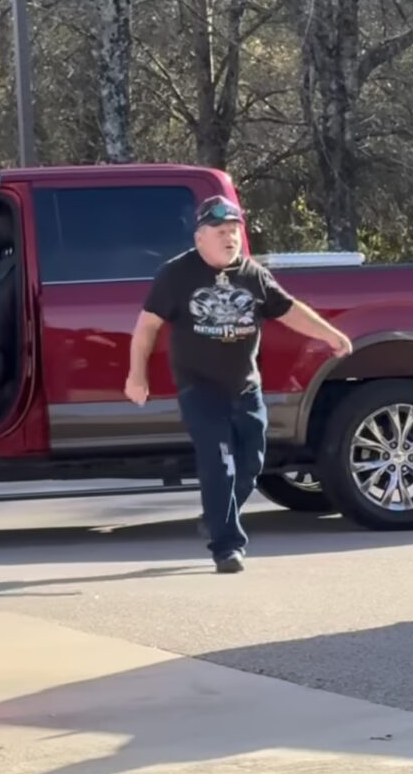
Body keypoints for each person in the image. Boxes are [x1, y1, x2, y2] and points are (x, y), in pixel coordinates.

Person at [124, 195, 352, 573]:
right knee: (219, 464)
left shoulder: (252, 274)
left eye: (233, 231)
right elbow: (147, 326)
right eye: (220, 232)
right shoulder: (176, 274)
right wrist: (137, 375)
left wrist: (330, 335)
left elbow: (289, 310)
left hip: (245, 387)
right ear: (200, 237)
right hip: (200, 387)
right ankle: (226, 546)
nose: (229, 238)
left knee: (251, 462)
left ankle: (216, 516)